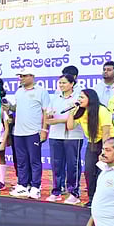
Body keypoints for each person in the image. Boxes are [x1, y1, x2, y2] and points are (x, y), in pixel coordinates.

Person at [7, 67, 50, 199]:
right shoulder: (19, 92)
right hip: (18, 132)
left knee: (34, 160)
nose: (21, 78)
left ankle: (36, 186)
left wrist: (44, 130)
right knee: (21, 160)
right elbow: (17, 108)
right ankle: (23, 185)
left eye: (24, 76)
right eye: (20, 76)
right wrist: (9, 107)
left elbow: (46, 112)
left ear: (32, 76)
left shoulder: (41, 91)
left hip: (33, 132)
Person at [67, 88, 111, 204]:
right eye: (79, 97)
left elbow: (106, 132)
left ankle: (102, 199)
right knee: (89, 171)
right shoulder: (81, 111)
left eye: (82, 97)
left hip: (107, 143)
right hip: (92, 142)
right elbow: (70, 127)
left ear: (90, 99)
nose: (79, 99)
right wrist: (71, 112)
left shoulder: (102, 110)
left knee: (102, 172)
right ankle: (92, 198)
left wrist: (105, 151)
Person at [45, 74, 83, 203]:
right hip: (55, 135)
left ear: (72, 84)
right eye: (60, 83)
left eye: (64, 83)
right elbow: (48, 115)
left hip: (73, 136)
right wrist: (49, 117)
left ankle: (74, 193)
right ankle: (56, 191)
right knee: (56, 165)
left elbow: (77, 116)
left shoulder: (78, 98)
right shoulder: (55, 98)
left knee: (73, 165)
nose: (61, 85)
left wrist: (58, 121)